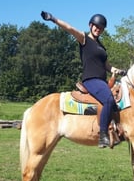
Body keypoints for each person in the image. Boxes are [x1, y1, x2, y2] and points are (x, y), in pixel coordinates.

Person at [41, 11, 127, 148]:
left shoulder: (101, 46)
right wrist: (53, 19)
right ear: (90, 25)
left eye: (101, 28)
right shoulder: (84, 39)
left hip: (102, 81)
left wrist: (117, 70)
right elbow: (69, 28)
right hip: (91, 80)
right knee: (109, 99)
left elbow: (106, 65)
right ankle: (103, 134)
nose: (98, 29)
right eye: (96, 26)